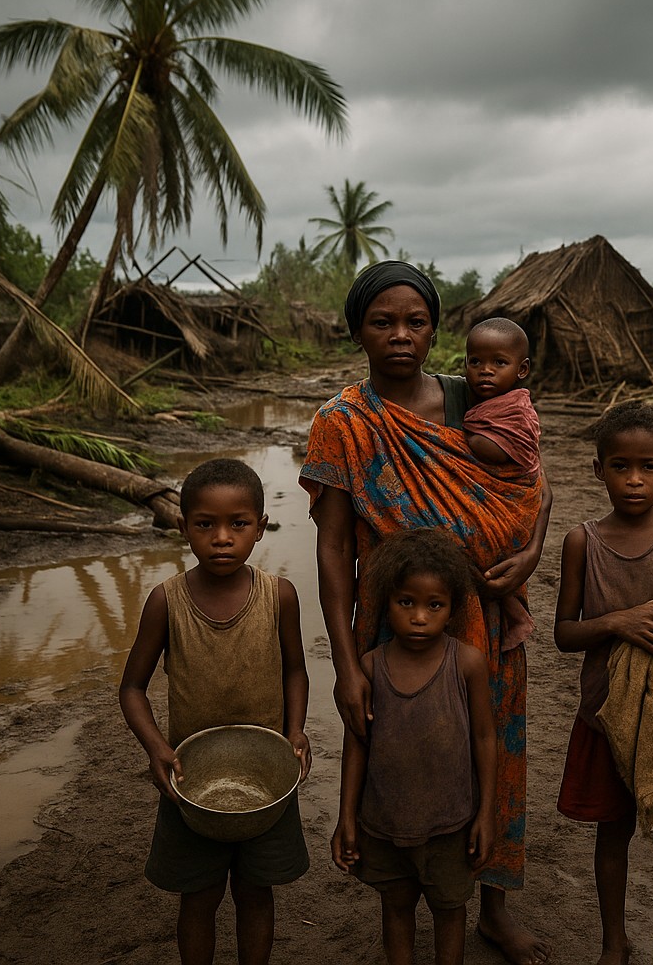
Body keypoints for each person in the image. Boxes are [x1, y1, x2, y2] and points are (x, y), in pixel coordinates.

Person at [300, 260, 551, 965]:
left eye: (416, 321)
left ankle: (494, 909)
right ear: (358, 331)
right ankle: (407, 892)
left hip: (490, 618)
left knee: (497, 755)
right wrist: (348, 665)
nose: (401, 335)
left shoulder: (475, 394)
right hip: (400, 622)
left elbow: (538, 480)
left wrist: (530, 555)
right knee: (407, 756)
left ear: (435, 329)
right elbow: (330, 551)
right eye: (383, 322)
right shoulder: (342, 423)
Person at [119, 457, 310, 965]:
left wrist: (295, 733)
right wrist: (157, 749)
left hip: (268, 777)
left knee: (255, 892)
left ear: (261, 528)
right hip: (190, 780)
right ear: (183, 528)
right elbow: (132, 689)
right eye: (205, 524)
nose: (221, 538)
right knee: (198, 897)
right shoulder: (167, 602)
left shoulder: (279, 596)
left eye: (238, 524)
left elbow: (296, 670)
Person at [552, 401, 653, 965]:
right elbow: (565, 635)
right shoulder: (582, 542)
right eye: (620, 466)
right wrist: (619, 621)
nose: (635, 480)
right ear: (599, 470)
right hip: (604, 713)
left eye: (648, 467)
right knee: (612, 831)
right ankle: (612, 941)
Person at [334, 529, 497, 965]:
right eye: (407, 603)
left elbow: (484, 737)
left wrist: (486, 813)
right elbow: (357, 748)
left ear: (452, 608)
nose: (420, 617)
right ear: (387, 603)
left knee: (450, 914)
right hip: (384, 825)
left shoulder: (467, 663)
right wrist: (346, 817)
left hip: (451, 827)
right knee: (396, 910)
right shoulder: (370, 667)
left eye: (434, 605)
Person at [463, 316, 541, 476]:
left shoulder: (516, 407)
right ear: (466, 364)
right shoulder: (463, 394)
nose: (485, 370)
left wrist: (470, 440)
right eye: (476, 362)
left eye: (499, 362)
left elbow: (504, 449)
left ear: (522, 369)